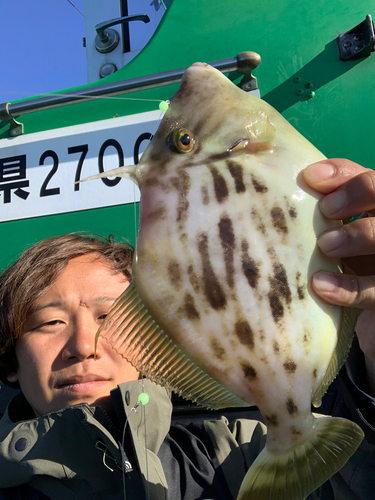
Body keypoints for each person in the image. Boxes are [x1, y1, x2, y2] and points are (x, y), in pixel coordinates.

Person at [0, 158, 374, 500]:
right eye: (50, 322)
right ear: (11, 357)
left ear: (149, 339)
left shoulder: (240, 453)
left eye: (109, 317)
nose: (84, 346)